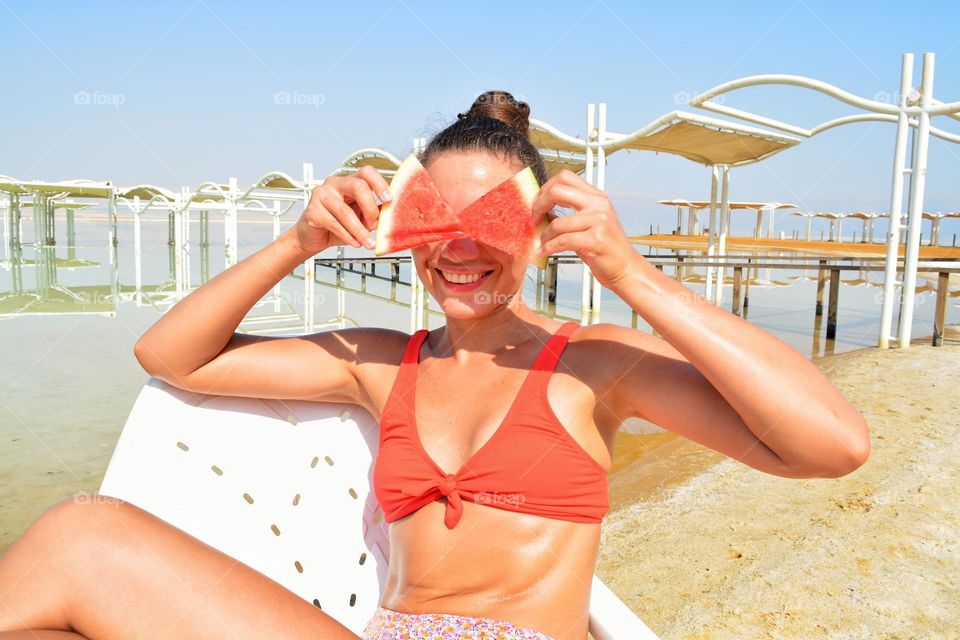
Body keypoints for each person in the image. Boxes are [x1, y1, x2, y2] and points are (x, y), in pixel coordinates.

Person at [0, 90, 870, 640]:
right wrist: (298, 242)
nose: (457, 249)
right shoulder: (380, 365)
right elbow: (170, 355)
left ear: (539, 229)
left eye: (487, 223)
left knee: (78, 547)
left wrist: (632, 274)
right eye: (432, 222)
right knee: (77, 546)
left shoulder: (597, 366)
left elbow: (832, 445)